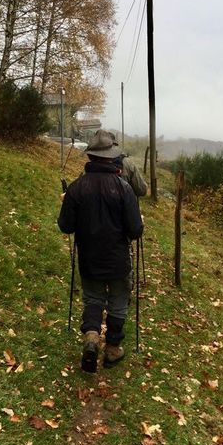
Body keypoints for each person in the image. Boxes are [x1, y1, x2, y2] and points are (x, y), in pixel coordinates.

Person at [58, 129, 143, 373]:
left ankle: (92, 338)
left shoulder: (76, 188)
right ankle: (113, 350)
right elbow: (135, 230)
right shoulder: (123, 188)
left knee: (93, 299)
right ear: (111, 155)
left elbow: (65, 227)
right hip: (118, 262)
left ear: (91, 157)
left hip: (89, 259)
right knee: (118, 303)